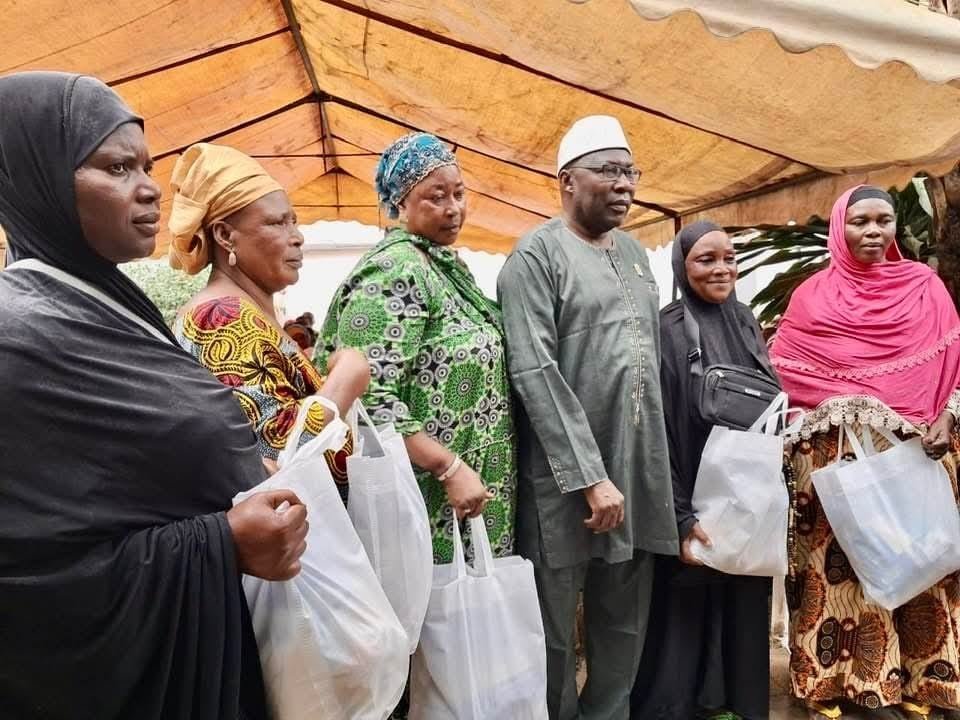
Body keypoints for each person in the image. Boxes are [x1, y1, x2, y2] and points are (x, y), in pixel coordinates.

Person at [0, 71, 307, 719]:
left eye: (145, 166)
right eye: (115, 168)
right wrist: (218, 543)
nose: (147, 189)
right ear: (39, 177)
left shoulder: (108, 305)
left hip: (198, 642)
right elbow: (29, 580)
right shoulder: (21, 338)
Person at [497, 115, 678, 720]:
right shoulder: (534, 257)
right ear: (566, 181)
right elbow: (534, 371)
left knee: (623, 623)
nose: (624, 184)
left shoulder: (632, 253)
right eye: (608, 171)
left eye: (630, 171)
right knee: (553, 629)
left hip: (637, 468)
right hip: (565, 480)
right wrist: (589, 476)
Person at [772, 186, 960, 720]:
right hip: (829, 455)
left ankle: (927, 683)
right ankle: (837, 684)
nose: (873, 233)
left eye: (883, 221)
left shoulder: (926, 288)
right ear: (839, 228)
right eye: (860, 222)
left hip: (915, 450)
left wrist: (946, 419)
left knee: (920, 560)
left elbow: (954, 367)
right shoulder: (811, 296)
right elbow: (785, 375)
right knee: (839, 569)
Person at [317, 132, 516, 564]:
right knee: (434, 621)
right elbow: (368, 393)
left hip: (471, 496)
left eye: (459, 194)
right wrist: (448, 467)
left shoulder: (442, 265)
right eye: (435, 196)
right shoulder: (394, 271)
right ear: (400, 204)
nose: (453, 208)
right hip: (430, 498)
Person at [630, 221, 777, 720]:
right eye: (706, 259)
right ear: (681, 266)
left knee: (743, 600)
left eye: (729, 259)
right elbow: (656, 428)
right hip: (691, 491)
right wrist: (678, 514)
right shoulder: (668, 327)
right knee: (682, 613)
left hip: (745, 498)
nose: (721, 269)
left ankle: (738, 704)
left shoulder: (745, 320)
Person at [168, 143, 369, 500]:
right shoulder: (222, 319)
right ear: (226, 235)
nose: (297, 236)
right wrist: (344, 382)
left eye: (294, 220)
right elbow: (271, 463)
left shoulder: (249, 312)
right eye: (277, 222)